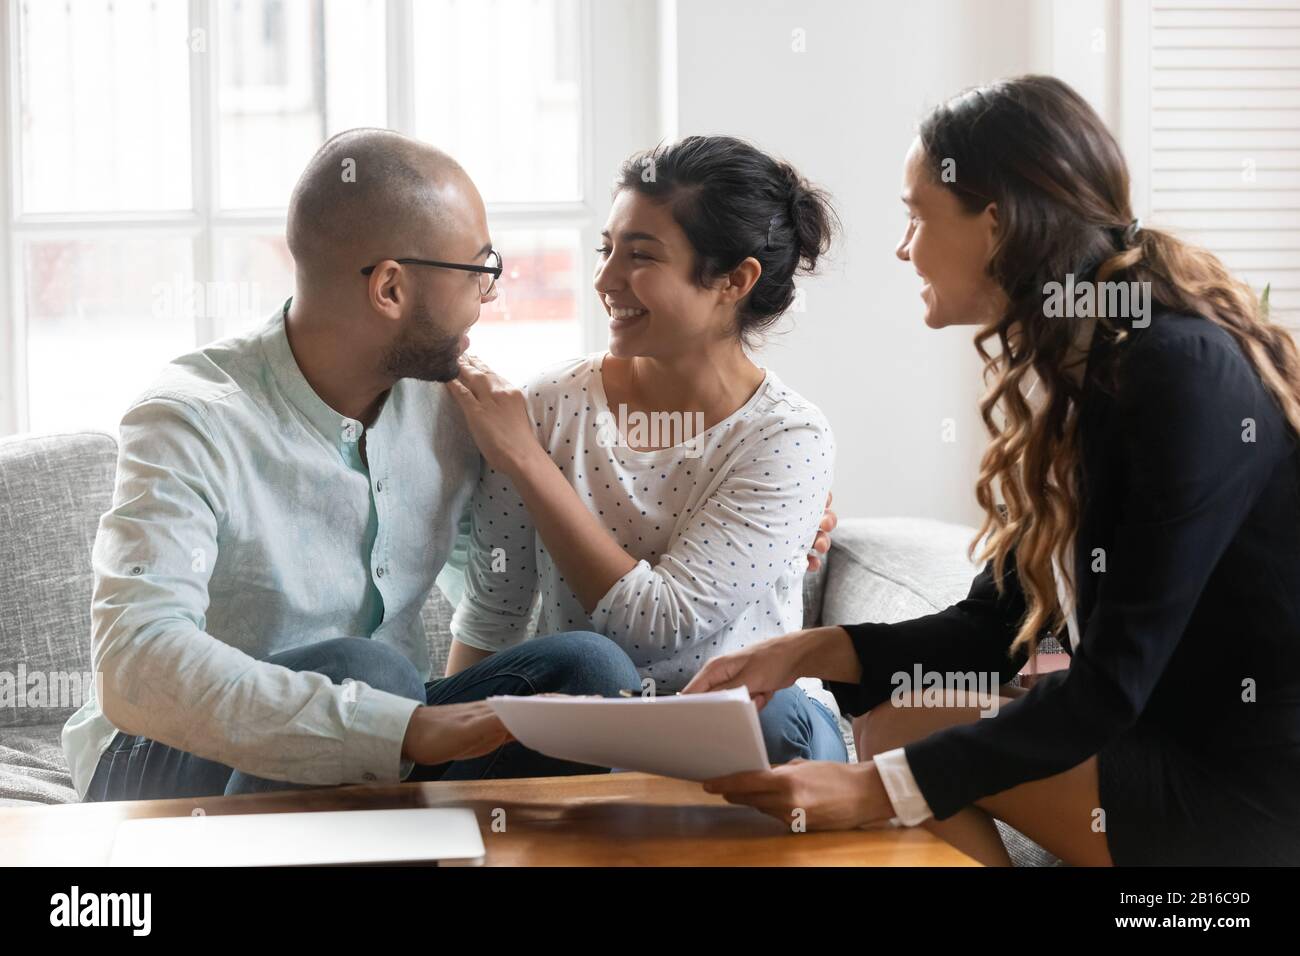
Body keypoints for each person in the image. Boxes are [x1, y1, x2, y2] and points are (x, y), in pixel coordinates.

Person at [686, 76, 1300, 866]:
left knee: (903, 740)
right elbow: (996, 631)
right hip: (1167, 756)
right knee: (899, 719)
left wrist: (873, 788)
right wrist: (802, 650)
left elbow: (1111, 686)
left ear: (998, 223)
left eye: (916, 216)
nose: (902, 248)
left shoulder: (1176, 371)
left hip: (1247, 800)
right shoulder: (1093, 366)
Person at [65, 128, 644, 802]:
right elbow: (136, 664)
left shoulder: (452, 407)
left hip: (386, 735)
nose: (489, 298)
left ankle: (425, 828)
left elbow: (493, 590)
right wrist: (393, 727)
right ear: (391, 289)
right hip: (167, 758)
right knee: (368, 671)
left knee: (588, 669)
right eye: (480, 270)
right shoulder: (191, 417)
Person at [443, 136, 847, 763]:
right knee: (577, 675)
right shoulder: (549, 404)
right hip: (589, 724)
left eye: (640, 256)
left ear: (734, 280)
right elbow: (493, 615)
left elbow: (660, 623)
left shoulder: (786, 436)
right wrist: (450, 767)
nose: (605, 279)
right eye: (606, 249)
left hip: (754, 727)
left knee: (775, 722)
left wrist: (526, 460)